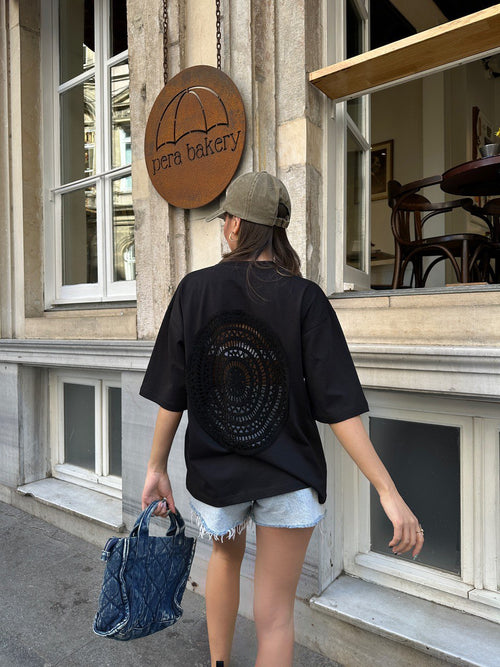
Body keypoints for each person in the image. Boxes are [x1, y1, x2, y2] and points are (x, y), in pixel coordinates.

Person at [140, 171, 424, 667]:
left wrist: (156, 466)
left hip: (217, 473)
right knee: (274, 616)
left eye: (226, 219)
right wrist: (388, 491)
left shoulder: (193, 290)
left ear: (234, 225)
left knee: (224, 560)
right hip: (289, 474)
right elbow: (339, 407)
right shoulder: (306, 298)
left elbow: (172, 391)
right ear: (279, 230)